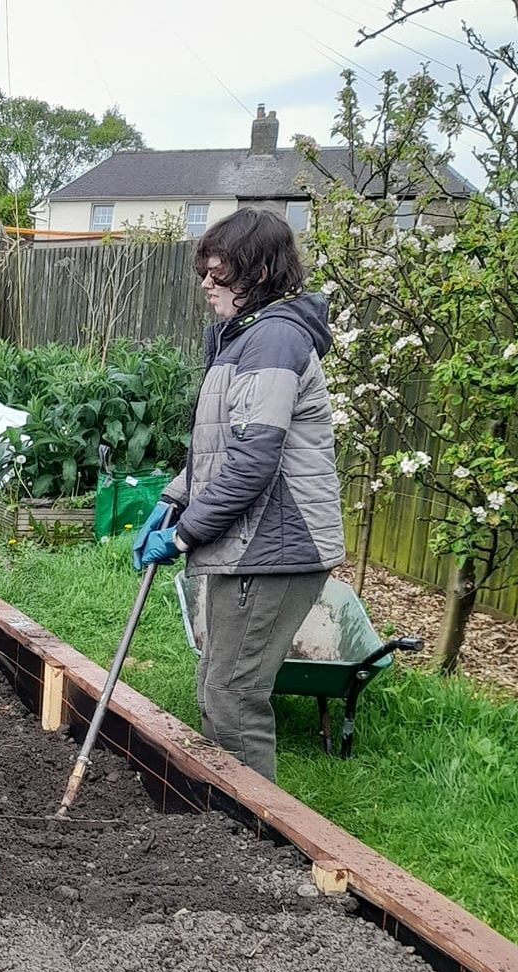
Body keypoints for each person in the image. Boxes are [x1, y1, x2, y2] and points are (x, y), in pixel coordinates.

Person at [132, 206, 343, 783]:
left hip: (273, 545)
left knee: (233, 696)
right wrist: (173, 500)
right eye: (205, 271)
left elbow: (253, 461)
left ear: (258, 272)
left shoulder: (272, 339)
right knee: (217, 687)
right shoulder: (242, 339)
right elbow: (218, 449)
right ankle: (230, 823)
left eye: (218, 272)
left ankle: (260, 841)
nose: (205, 283)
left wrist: (182, 535)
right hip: (251, 542)